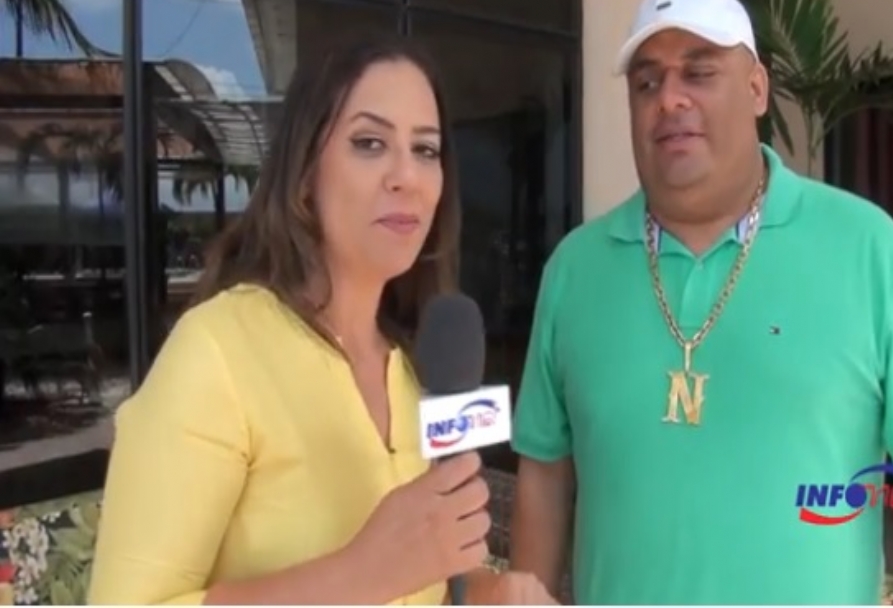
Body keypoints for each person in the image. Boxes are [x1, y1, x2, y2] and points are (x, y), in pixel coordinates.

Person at [509, 0, 893, 605]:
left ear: (757, 88)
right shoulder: (576, 270)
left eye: (698, 73)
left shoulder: (870, 251)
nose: (669, 99)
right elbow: (544, 472)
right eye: (647, 83)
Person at [88, 35, 556, 606]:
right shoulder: (218, 350)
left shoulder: (417, 366)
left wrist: (491, 591)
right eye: (369, 143)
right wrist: (358, 574)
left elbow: (433, 575)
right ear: (306, 170)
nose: (406, 176)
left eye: (426, 150)